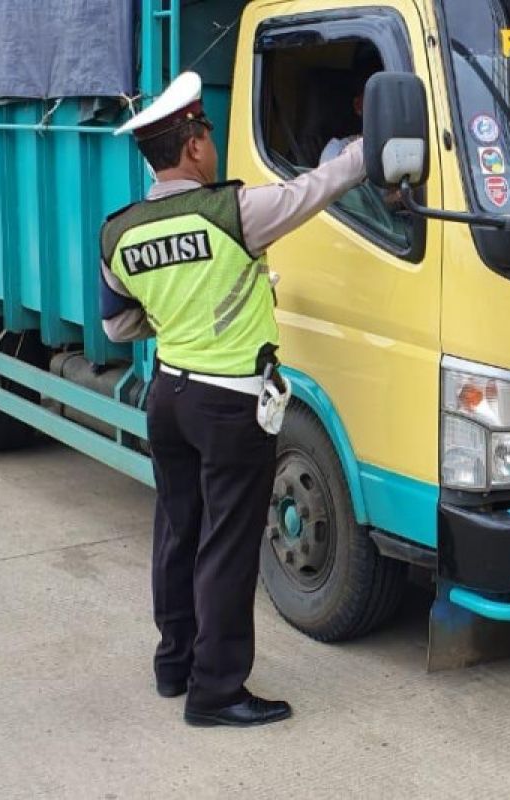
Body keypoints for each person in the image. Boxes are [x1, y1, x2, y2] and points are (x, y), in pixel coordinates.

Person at [98, 71, 366, 728]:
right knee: (227, 546)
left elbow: (117, 326)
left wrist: (179, 314)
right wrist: (373, 141)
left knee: (177, 531)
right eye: (208, 133)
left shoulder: (119, 232)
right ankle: (216, 692)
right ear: (192, 146)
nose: (213, 144)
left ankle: (175, 665)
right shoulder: (233, 212)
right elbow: (320, 186)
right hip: (230, 405)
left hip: (169, 396)